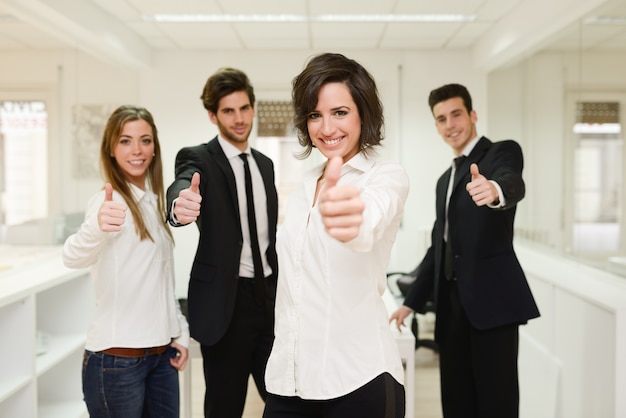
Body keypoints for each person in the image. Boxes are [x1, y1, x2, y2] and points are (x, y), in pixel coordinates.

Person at [263, 52, 409, 418]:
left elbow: (367, 225)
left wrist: (350, 222)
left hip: (358, 379)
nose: (326, 128)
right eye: (315, 115)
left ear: (363, 113)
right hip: (289, 381)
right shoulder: (303, 187)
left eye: (340, 112)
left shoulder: (385, 177)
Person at [389, 83, 540, 418]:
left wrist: (496, 189)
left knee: (496, 404)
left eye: (456, 114)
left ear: (472, 115)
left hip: (492, 306)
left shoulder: (500, 152)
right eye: (441, 119)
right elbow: (440, 248)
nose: (449, 125)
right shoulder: (445, 179)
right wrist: (412, 301)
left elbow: (511, 180)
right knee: (456, 403)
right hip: (451, 308)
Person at [63, 105, 190, 417]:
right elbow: (72, 257)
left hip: (160, 357)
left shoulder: (152, 203)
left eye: (145, 140)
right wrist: (96, 227)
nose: (137, 150)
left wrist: (180, 332)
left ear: (155, 147)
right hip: (116, 361)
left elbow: (160, 282)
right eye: (125, 141)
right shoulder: (108, 204)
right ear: (111, 148)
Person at [166, 67, 278, 418]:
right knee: (224, 407)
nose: (240, 118)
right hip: (226, 307)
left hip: (270, 300)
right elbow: (183, 184)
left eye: (244, 108)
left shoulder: (266, 165)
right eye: (229, 111)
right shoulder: (199, 158)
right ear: (213, 115)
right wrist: (178, 206)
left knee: (285, 400)